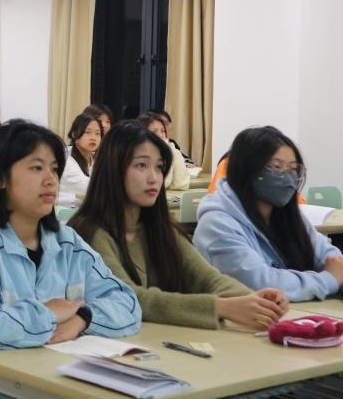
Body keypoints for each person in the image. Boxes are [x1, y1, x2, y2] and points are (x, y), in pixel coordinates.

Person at [0, 119, 141, 399]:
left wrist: (83, 317)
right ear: (1, 178)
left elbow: (127, 303)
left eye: (54, 168)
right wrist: (50, 313)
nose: (51, 179)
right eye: (36, 168)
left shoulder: (66, 242)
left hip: (46, 379)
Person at [69, 122, 289, 330]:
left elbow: (208, 279)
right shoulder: (91, 232)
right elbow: (129, 297)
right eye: (141, 165)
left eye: (159, 167)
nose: (154, 178)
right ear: (113, 169)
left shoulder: (159, 228)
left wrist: (255, 300)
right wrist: (221, 307)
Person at [194, 126, 343, 302]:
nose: (287, 177)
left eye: (292, 169)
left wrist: (334, 273)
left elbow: (333, 261)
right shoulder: (217, 223)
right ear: (247, 169)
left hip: (293, 311)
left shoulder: (288, 216)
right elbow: (259, 283)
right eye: (276, 167)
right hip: (239, 317)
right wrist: (328, 280)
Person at [136, 113, 190, 191]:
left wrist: (173, 151)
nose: (161, 135)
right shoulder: (137, 156)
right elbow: (162, 184)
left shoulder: (168, 149)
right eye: (154, 132)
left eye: (162, 131)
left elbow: (181, 184)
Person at [58, 113, 102, 205]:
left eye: (97, 133)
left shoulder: (96, 159)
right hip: (63, 209)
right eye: (88, 132)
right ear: (74, 135)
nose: (93, 138)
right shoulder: (66, 158)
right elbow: (87, 187)